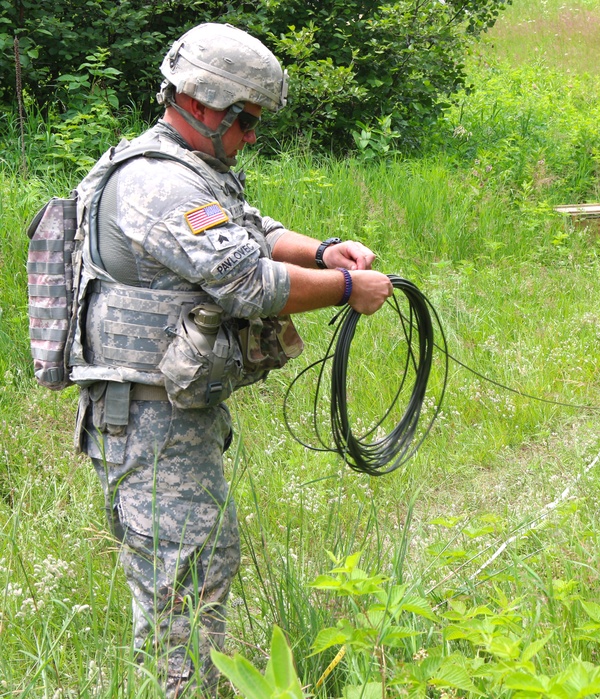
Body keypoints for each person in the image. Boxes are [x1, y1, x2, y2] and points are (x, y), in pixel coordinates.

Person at [69, 23, 394, 696]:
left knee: (195, 572)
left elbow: (250, 229)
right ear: (204, 104)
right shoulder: (158, 184)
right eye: (247, 121)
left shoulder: (194, 171)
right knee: (182, 586)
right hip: (148, 421)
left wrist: (322, 251)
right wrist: (345, 289)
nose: (251, 136)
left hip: (169, 414)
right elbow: (245, 280)